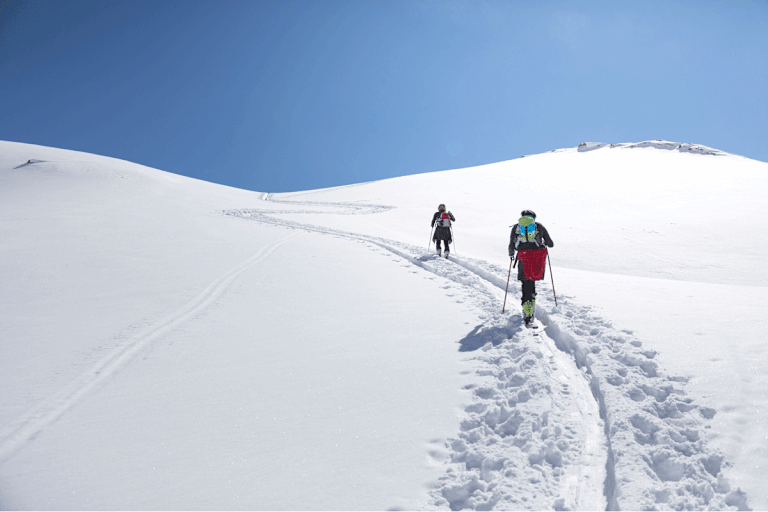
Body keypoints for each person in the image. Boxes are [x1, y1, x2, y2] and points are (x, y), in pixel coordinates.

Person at [508, 210, 554, 326]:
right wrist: (543, 242)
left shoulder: (517, 227)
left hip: (523, 258)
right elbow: (550, 243)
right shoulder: (539, 226)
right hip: (536, 259)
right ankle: (531, 307)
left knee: (525, 283)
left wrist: (511, 254)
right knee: (531, 281)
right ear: (534, 217)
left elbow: (512, 244)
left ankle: (526, 309)